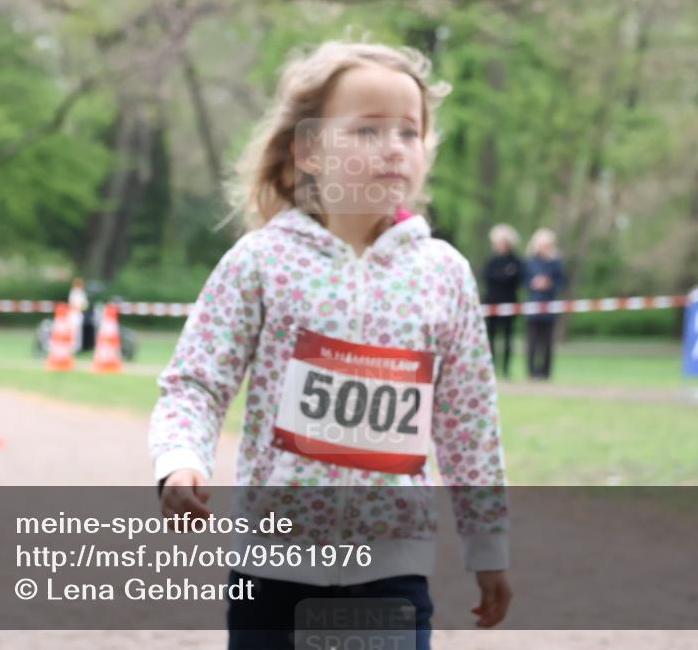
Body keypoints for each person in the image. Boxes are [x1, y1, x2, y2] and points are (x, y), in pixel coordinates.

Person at [148, 41, 511, 650]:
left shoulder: (443, 272)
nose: (394, 146)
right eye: (368, 130)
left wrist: (488, 546)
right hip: (273, 569)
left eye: (409, 131)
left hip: (393, 571)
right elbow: (196, 382)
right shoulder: (262, 262)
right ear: (309, 150)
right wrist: (179, 459)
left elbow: (469, 423)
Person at [523, 228, 566, 380]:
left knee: (547, 342)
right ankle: (531, 371)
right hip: (533, 306)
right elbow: (524, 282)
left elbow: (562, 283)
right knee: (532, 341)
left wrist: (550, 284)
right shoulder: (530, 262)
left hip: (549, 307)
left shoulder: (555, 263)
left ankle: (545, 372)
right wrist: (533, 284)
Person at [481, 224, 522, 378]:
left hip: (509, 303)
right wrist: (504, 276)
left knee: (507, 337)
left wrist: (502, 277)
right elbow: (488, 277)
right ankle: (490, 367)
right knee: (490, 337)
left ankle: (505, 369)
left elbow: (515, 279)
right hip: (492, 302)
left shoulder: (515, 261)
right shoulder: (491, 261)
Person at [67, 277, 88, 353]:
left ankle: (76, 347)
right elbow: (73, 304)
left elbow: (84, 305)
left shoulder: (80, 293)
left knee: (77, 332)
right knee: (73, 331)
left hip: (77, 314)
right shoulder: (75, 292)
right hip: (74, 314)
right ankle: (73, 347)